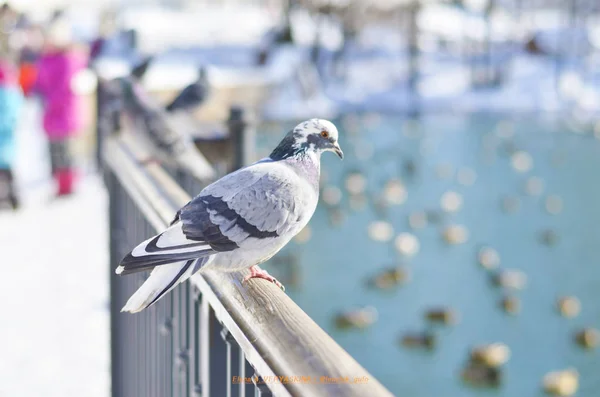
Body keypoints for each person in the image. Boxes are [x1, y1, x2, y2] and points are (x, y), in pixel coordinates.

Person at [35, 16, 87, 196]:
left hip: (64, 113)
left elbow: (64, 87)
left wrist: (51, 101)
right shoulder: (45, 59)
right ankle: (59, 184)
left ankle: (67, 186)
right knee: (54, 152)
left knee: (65, 152)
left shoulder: (68, 59)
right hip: (50, 113)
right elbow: (40, 82)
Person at [0, 59, 23, 209]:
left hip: (5, 138)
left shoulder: (7, 93)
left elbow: (11, 116)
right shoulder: (11, 90)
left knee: (7, 171)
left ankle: (13, 198)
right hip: (5, 139)